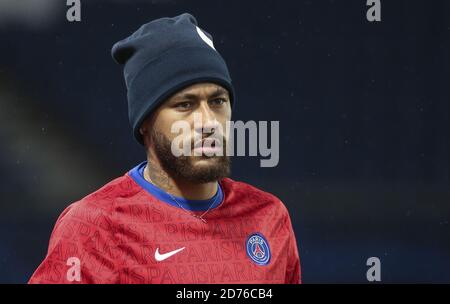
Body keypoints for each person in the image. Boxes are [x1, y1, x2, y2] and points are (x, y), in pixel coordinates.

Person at [29, 13, 301, 284]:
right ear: (145, 122)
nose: (208, 122)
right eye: (185, 104)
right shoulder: (95, 226)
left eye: (217, 101)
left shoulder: (269, 216)